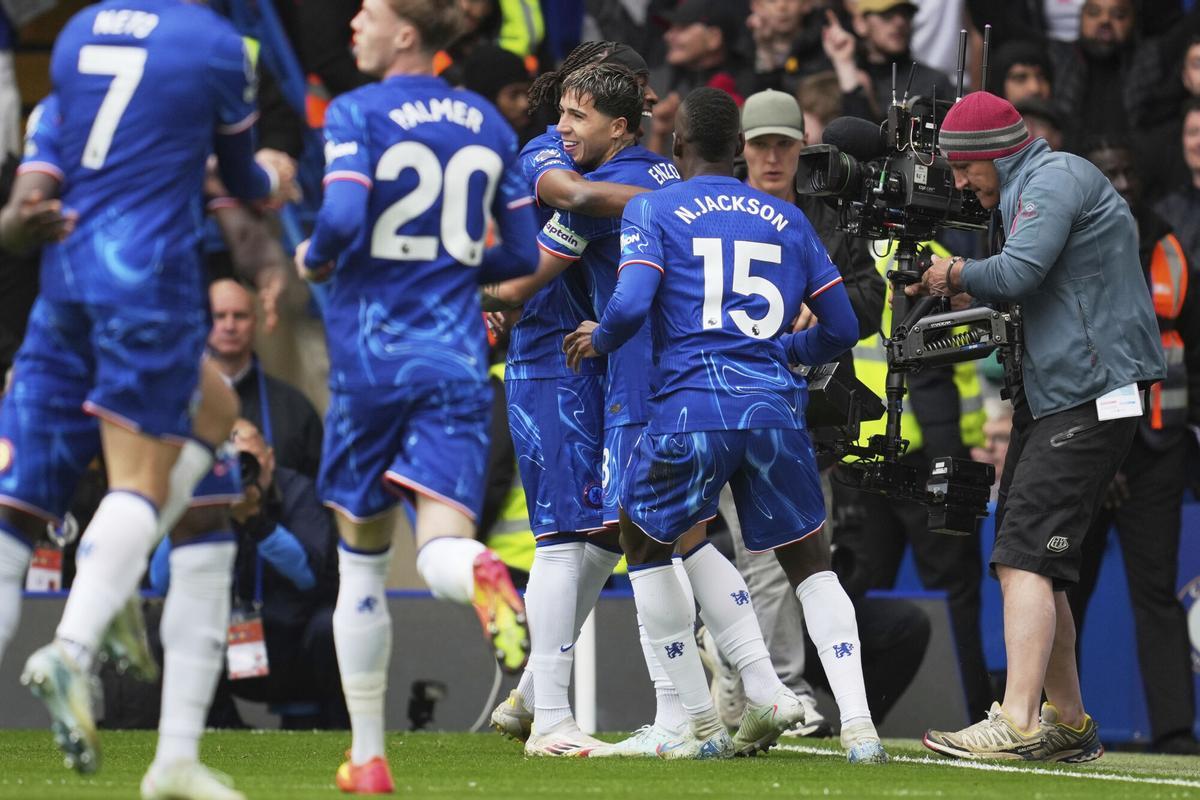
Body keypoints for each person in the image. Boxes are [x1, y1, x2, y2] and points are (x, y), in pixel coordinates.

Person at [4, 3, 296, 797]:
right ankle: (72, 646)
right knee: (142, 482)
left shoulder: (77, 33)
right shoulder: (213, 46)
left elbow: (54, 147)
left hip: (67, 278)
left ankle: (175, 760)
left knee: (203, 439)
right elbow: (240, 184)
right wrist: (276, 176)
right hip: (148, 285)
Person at [563, 86, 887, 764]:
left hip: (691, 411)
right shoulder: (787, 219)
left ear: (675, 146)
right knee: (811, 568)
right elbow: (846, 326)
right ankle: (859, 726)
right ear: (740, 150)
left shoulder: (655, 206)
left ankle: (700, 728)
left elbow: (630, 304)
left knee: (646, 545)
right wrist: (787, 354)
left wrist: (600, 337)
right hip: (774, 412)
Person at [294, 0, 538, 791]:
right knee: (440, 542)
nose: (353, 22)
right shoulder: (485, 123)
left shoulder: (358, 112)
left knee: (362, 565)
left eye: (368, 10)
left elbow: (336, 217)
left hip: (372, 360)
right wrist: (453, 252)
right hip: (459, 357)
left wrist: (314, 258)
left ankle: (368, 758)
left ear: (407, 31)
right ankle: (481, 578)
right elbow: (519, 251)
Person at [911, 91, 1165, 761]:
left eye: (965, 170)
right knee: (1037, 564)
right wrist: (970, 283)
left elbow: (1020, 272)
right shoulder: (1036, 185)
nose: (961, 184)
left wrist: (956, 272)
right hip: (1061, 395)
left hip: (1089, 392)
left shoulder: (1053, 179)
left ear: (993, 154)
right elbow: (1041, 280)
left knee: (1023, 552)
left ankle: (1018, 721)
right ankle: (1070, 724)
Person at [715, 88, 884, 736]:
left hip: (809, 406)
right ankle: (775, 685)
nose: (773, 157)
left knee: (804, 553)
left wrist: (825, 300)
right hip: (730, 395)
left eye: (785, 144)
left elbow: (868, 296)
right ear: (743, 149)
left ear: (801, 145)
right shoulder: (717, 208)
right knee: (767, 559)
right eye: (761, 145)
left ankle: (745, 683)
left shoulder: (826, 210)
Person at [1071, 137, 1200, 756]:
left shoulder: (1171, 246)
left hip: (1159, 450)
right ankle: (1051, 720)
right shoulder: (1080, 245)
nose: (1120, 184)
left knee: (1156, 592)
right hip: (1094, 447)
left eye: (1128, 173)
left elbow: (1192, 349)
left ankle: (1175, 734)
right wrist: (1107, 455)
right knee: (1066, 588)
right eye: (1108, 174)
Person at [150, 420, 345, 730]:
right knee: (166, 622)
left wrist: (257, 523)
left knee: (329, 626)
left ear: (269, 458)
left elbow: (310, 575)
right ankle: (219, 728)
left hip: (292, 645)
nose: (239, 473)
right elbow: (160, 582)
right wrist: (190, 511)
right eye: (228, 464)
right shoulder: (202, 497)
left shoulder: (300, 492)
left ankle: (335, 732)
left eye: (248, 461)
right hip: (225, 645)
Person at [207, 278, 323, 480]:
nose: (229, 326)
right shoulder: (176, 403)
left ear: (256, 322)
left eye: (240, 316)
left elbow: (314, 496)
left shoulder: (294, 408)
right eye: (219, 316)